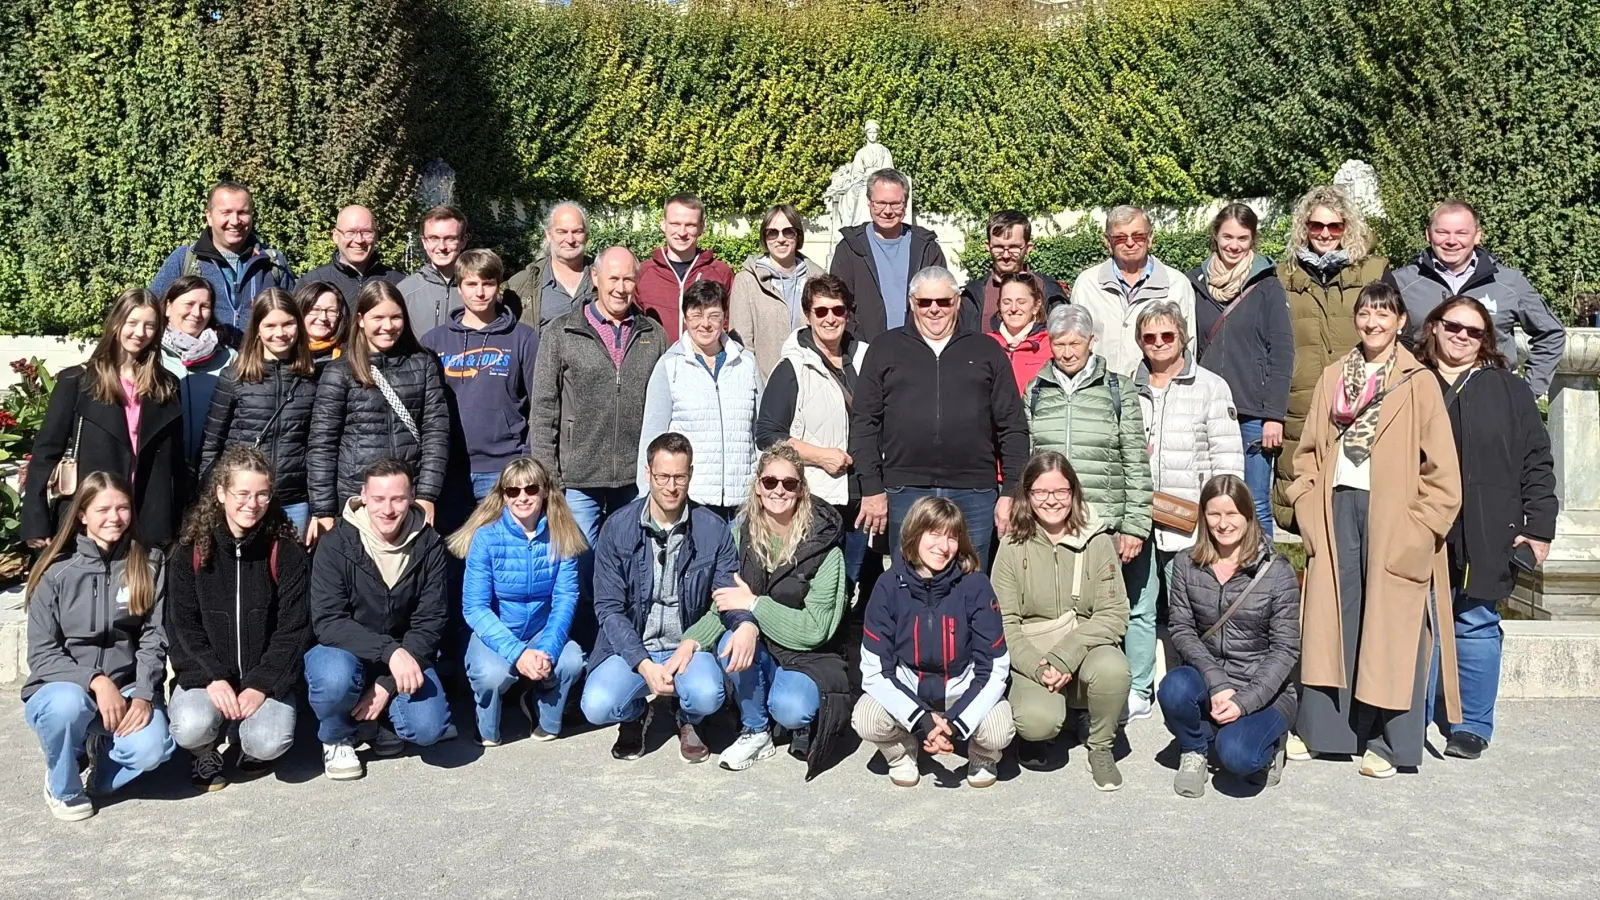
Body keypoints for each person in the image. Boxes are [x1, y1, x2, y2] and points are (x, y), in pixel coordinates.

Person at [1285, 282, 1462, 778]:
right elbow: (1306, 456)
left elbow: (1443, 474)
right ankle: (1328, 734)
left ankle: (1390, 742)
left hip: (1394, 517)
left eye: (1384, 314)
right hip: (1337, 507)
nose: (1373, 322)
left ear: (1401, 322)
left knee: (1393, 626)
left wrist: (1420, 530)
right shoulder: (1334, 377)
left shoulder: (1418, 382)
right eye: (1365, 313)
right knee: (1332, 621)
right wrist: (1307, 511)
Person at [1417, 295, 1557, 759]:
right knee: (1418, 622)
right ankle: (1409, 717)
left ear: (1486, 340)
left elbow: (1537, 461)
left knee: (1475, 621)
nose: (1461, 336)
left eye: (1474, 331)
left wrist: (1539, 528)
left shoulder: (1508, 389)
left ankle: (1470, 724)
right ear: (1434, 326)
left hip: (1487, 525)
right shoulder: (1409, 381)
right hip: (1419, 523)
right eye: (1453, 326)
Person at [529, 247, 669, 643]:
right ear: (595, 277)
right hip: (577, 477)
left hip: (633, 478)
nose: (621, 288)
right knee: (579, 567)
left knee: (632, 566)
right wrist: (549, 477)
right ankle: (582, 648)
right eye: (613, 278)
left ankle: (627, 646)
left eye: (628, 279)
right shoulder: (561, 331)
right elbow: (543, 408)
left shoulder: (652, 335)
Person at [22, 472, 174, 821]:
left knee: (154, 748)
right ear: (82, 515)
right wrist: (95, 680)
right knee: (66, 706)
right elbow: (42, 655)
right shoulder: (55, 569)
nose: (114, 517)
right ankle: (63, 784)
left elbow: (154, 636)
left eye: (122, 508)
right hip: (65, 689)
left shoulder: (148, 562)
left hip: (127, 686)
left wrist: (144, 695)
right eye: (103, 509)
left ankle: (103, 766)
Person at [579, 433, 739, 763]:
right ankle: (635, 712)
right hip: (636, 645)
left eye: (679, 476)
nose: (671, 486)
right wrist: (642, 663)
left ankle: (689, 716)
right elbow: (607, 608)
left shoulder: (713, 529)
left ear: (690, 474)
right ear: (648, 473)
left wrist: (692, 642)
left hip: (688, 646)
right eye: (663, 476)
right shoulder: (617, 528)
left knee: (708, 694)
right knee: (596, 705)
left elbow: (723, 602)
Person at [851, 266, 1028, 565]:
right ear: (911, 303)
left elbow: (1012, 426)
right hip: (904, 488)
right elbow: (864, 422)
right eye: (925, 302)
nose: (934, 310)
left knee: (970, 583)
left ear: (957, 302)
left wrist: (1011, 491)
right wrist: (871, 486)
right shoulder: (885, 348)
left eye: (943, 302)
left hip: (974, 491)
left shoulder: (986, 350)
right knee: (910, 582)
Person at [167, 447, 311, 790]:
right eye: (242, 494)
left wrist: (261, 684)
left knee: (268, 741)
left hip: (263, 679)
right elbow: (181, 625)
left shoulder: (284, 550)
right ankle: (204, 751)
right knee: (190, 726)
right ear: (221, 493)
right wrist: (213, 677)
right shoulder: (191, 551)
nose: (252, 503)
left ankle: (250, 749)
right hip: (209, 679)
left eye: (262, 494)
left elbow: (295, 628)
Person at [1128, 301, 1244, 719]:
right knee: (1139, 607)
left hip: (1190, 524)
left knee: (1194, 611)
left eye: (1167, 336)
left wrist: (1223, 519)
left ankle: (1198, 687)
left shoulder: (1211, 387)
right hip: (1140, 520)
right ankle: (1140, 689)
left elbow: (1227, 460)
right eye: (1149, 337)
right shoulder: (1127, 386)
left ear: (1183, 338)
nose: (1159, 344)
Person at [305, 459, 452, 780]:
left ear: (412, 497)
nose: (388, 509)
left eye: (397, 499)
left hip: (404, 655)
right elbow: (328, 621)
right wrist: (390, 652)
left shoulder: (429, 545)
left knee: (428, 729)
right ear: (363, 496)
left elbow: (431, 621)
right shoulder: (336, 544)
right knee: (332, 677)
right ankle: (337, 736)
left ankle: (379, 723)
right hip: (344, 652)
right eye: (379, 499)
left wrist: (387, 684)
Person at [992, 452, 1131, 790]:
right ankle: (1056, 718)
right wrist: (1040, 666)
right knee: (1037, 722)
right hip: (1032, 653)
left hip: (1083, 647)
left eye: (1061, 492)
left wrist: (1066, 655)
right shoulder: (1012, 545)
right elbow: (1003, 622)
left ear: (1074, 492)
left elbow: (1114, 614)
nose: (1051, 501)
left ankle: (1100, 746)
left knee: (1114, 669)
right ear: (1027, 494)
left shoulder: (1097, 541)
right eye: (1041, 492)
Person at [853, 497, 1013, 788]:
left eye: (952, 537)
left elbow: (995, 667)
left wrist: (954, 721)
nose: (944, 546)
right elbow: (876, 670)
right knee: (865, 717)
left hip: (960, 690)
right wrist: (923, 720)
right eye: (935, 534)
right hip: (910, 690)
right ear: (915, 534)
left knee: (999, 730)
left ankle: (982, 756)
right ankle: (902, 752)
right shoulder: (889, 585)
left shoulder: (975, 585)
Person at [708, 444, 849, 773]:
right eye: (770, 482)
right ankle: (756, 730)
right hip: (762, 646)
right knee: (731, 641)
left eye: (789, 483)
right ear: (758, 486)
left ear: (801, 490)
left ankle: (794, 718)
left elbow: (816, 629)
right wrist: (691, 642)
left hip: (811, 655)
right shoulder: (737, 536)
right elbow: (723, 605)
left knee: (790, 707)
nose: (779, 490)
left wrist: (755, 605)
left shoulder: (826, 547)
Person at [1159, 474, 1301, 797]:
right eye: (1214, 514)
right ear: (1203, 516)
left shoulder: (1277, 572)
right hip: (1211, 682)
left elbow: (1285, 650)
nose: (1223, 524)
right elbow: (1181, 628)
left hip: (1264, 690)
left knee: (1238, 756)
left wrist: (1244, 701)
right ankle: (1194, 750)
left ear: (1248, 515)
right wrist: (1216, 682)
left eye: (1232, 514)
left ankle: (1272, 744)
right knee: (1173, 688)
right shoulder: (1186, 564)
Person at [22, 288, 188, 547]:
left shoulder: (167, 386)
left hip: (149, 518)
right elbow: (45, 453)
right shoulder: (77, 382)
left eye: (150, 325)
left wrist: (180, 521)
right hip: (93, 515)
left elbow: (176, 462)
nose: (140, 332)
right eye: (132, 322)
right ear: (116, 322)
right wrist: (35, 520)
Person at [1273, 185, 1392, 531]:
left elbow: (1398, 333)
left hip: (1361, 404)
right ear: (1304, 228)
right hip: (1301, 404)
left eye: (1334, 227)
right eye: (1316, 226)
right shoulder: (1283, 277)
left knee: (1358, 513)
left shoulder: (1374, 272)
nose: (1325, 234)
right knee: (1305, 514)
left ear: (1347, 228)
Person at [449, 458, 587, 747]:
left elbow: (565, 599)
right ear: (503, 495)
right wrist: (518, 654)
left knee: (572, 661)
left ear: (545, 491)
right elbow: (475, 607)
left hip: (541, 629)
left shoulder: (563, 533)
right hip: (498, 630)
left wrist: (546, 651)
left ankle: (544, 713)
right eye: (513, 491)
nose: (522, 497)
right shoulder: (486, 538)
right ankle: (486, 726)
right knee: (491, 675)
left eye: (531, 489)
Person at [1023, 304, 1153, 594]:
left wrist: (1134, 526)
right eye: (1059, 344)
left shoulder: (1118, 390)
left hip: (1102, 526)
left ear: (1091, 342)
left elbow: (1135, 461)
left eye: (1075, 343)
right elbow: (1028, 462)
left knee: (1102, 611)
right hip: (1048, 524)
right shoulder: (1035, 392)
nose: (1067, 353)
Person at [307, 280, 450, 542]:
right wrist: (324, 509)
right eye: (378, 317)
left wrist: (428, 494)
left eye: (395, 317)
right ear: (361, 319)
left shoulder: (423, 364)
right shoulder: (340, 372)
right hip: (355, 498)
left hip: (408, 497)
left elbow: (436, 432)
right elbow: (322, 445)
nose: (388, 326)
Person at [755, 275, 869, 586]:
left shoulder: (867, 359)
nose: (830, 318)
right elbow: (767, 434)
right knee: (813, 586)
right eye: (821, 311)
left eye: (838, 310)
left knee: (852, 588)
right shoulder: (792, 367)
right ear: (808, 315)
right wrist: (820, 457)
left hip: (862, 498)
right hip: (815, 498)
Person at [1190, 203, 1293, 536]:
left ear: (1253, 240)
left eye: (1243, 238)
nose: (1234, 245)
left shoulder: (1267, 286)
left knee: (1253, 501)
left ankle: (1265, 579)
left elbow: (1282, 351)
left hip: (1252, 413)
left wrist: (1274, 415)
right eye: (1227, 237)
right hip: (1206, 407)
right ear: (1215, 236)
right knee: (1213, 498)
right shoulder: (1195, 284)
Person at [1394, 200, 1567, 398]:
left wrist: (1527, 392)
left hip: (1492, 397)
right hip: (1422, 396)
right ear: (1428, 235)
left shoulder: (1509, 282)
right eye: (1442, 232)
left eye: (1461, 233)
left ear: (1477, 236)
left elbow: (1551, 333)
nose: (1451, 241)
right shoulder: (1402, 283)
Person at [636, 280, 764, 520]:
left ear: (724, 318)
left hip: (742, 504)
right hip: (692, 501)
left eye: (714, 315)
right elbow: (652, 436)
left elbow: (761, 432)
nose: (705, 324)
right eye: (696, 315)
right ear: (686, 318)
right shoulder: (670, 366)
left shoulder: (746, 364)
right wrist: (648, 498)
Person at [420, 249, 540, 501]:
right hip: (449, 467)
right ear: (459, 287)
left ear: (498, 286)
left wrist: (525, 457)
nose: (480, 292)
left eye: (488, 283)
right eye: (471, 284)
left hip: (503, 467)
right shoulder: (434, 340)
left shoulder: (523, 338)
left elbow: (539, 405)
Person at [199, 288, 320, 537]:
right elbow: (212, 442)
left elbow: (319, 445)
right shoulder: (235, 376)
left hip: (293, 498)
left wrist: (320, 507)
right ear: (257, 329)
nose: (280, 333)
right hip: (242, 498)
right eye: (270, 325)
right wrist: (210, 493)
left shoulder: (312, 379)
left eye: (288, 324)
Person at [150, 181, 295, 337]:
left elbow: (296, 316)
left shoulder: (272, 263)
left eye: (242, 212)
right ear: (209, 216)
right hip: (200, 360)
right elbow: (151, 310)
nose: (234, 221)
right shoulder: (185, 259)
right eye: (226, 213)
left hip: (259, 360)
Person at [1068, 205, 1196, 378]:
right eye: (1120, 238)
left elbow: (1188, 346)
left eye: (1138, 236)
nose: (1130, 243)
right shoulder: (1087, 284)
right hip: (1100, 393)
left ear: (1150, 238)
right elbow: (1074, 342)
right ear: (1107, 241)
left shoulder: (1177, 284)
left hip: (1156, 393)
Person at [829, 169, 947, 342]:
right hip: (866, 350)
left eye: (895, 203)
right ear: (869, 202)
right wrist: (857, 343)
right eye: (881, 203)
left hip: (919, 349)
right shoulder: (849, 248)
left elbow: (942, 301)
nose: (888, 211)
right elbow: (837, 302)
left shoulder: (927, 248)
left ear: (905, 205)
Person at [158, 276, 237, 470]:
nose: (196, 313)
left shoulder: (229, 358)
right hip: (161, 470)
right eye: (189, 304)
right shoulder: (150, 355)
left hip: (211, 469)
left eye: (204, 306)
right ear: (168, 307)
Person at [730, 204, 818, 378]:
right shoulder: (747, 280)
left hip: (811, 380)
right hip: (765, 382)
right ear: (764, 237)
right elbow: (741, 344)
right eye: (772, 232)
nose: (780, 239)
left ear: (797, 234)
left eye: (788, 231)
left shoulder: (817, 277)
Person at [636, 193, 735, 339]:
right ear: (663, 224)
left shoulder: (721, 273)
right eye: (675, 224)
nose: (682, 232)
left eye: (690, 225)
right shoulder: (642, 273)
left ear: (701, 227)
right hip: (657, 361)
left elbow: (729, 324)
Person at [959, 210, 1066, 335]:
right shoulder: (973, 294)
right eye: (998, 247)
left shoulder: (1048, 290)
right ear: (988, 246)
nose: (1005, 255)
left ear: (1028, 248)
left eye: (1014, 247)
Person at [505, 202, 596, 330]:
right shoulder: (520, 285)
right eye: (561, 232)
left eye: (577, 231)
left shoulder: (606, 279)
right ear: (548, 235)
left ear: (586, 236)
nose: (570, 240)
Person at [300, 205, 406, 306]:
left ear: (376, 236)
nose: (359, 240)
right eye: (350, 232)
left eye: (366, 232)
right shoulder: (312, 282)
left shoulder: (398, 283)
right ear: (336, 236)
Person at [400, 205, 469, 334]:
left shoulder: (477, 290)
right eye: (434, 238)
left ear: (463, 241)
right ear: (424, 242)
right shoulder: (405, 291)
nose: (442, 246)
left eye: (450, 238)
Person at [988, 272, 1053, 393]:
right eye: (1007, 302)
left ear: (1036, 306)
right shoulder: (985, 345)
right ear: (999, 305)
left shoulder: (1051, 346)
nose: (1013, 309)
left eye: (1021, 302)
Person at [296, 280, 346, 372]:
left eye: (331, 311)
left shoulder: (349, 356)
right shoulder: (287, 353)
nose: (323, 317)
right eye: (315, 309)